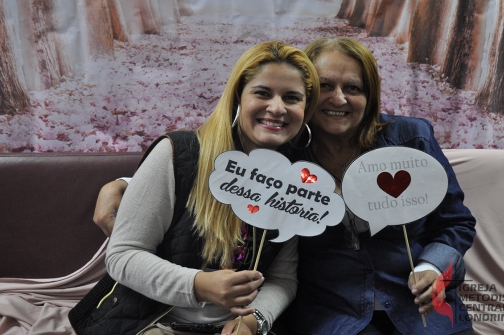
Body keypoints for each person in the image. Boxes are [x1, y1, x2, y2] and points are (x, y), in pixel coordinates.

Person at [93, 37, 476, 335]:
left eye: (354, 88)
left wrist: (434, 268)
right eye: (325, 85)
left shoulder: (410, 139)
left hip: (422, 311)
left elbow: (455, 223)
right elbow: (214, 161)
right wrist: (127, 183)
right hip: (335, 314)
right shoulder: (287, 154)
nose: (339, 98)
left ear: (370, 94)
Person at [68, 41, 320, 335]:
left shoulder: (294, 185)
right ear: (238, 97)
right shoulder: (177, 153)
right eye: (262, 93)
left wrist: (255, 321)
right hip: (152, 323)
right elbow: (123, 256)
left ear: (305, 110)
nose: (277, 107)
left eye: (292, 98)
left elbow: (282, 279)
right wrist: (199, 285)